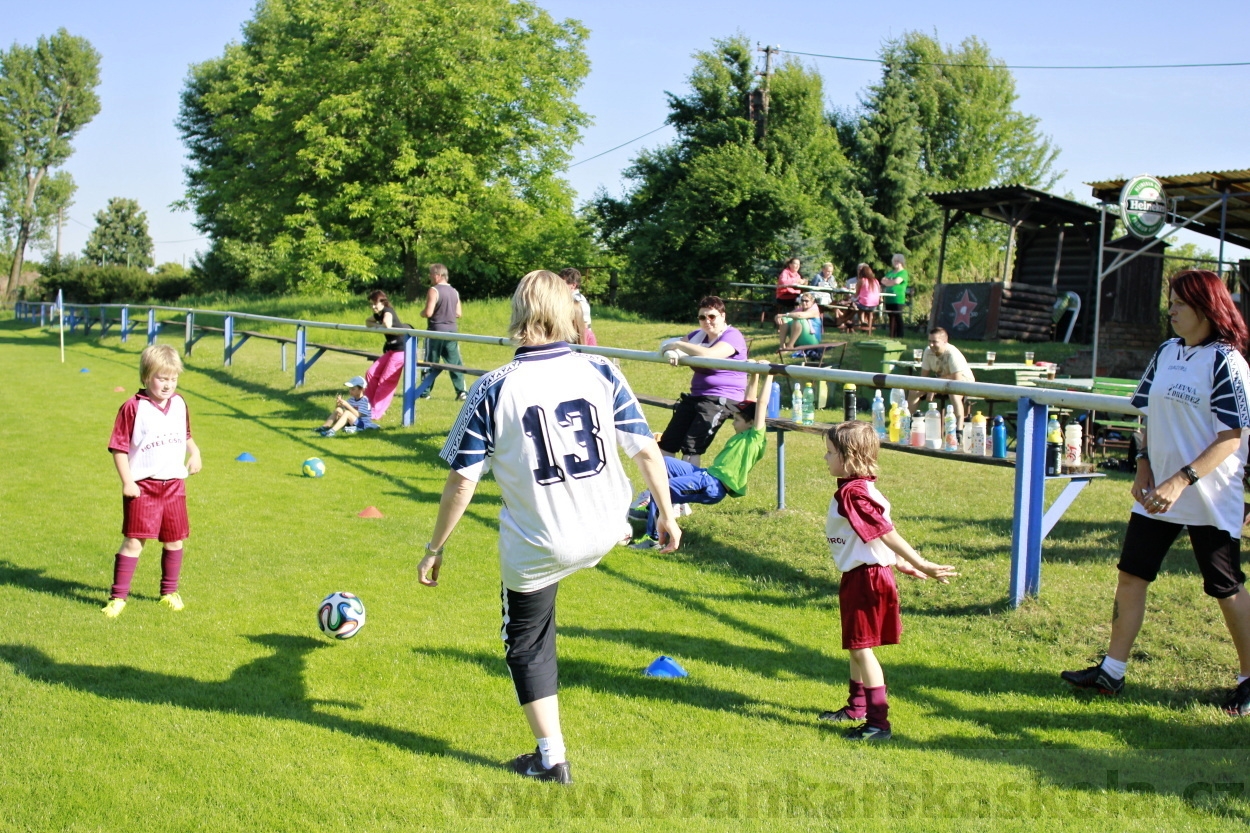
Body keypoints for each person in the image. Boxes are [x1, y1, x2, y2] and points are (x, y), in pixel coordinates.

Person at [416, 269, 681, 784]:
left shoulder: (493, 386)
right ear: (569, 313)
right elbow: (646, 448)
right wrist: (666, 514)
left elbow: (461, 482)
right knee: (586, 535)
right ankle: (620, 532)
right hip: (608, 525)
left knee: (527, 641)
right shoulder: (601, 369)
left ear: (516, 313)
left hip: (545, 543)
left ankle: (550, 758)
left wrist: (435, 547)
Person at [1062, 269, 1250, 716]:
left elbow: (1232, 436)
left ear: (1207, 307)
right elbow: (1145, 414)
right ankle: (1112, 670)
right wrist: (1144, 465)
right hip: (1156, 493)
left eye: (1180, 303)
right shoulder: (1166, 352)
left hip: (1207, 494)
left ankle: (1249, 680)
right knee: (1132, 575)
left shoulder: (1228, 361)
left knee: (1225, 587)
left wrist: (1180, 479)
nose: (1171, 310)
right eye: (1170, 301)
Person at [818, 421, 957, 740]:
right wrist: (898, 562)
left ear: (847, 456)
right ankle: (857, 706)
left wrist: (918, 561)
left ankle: (878, 723)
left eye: (829, 453)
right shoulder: (857, 488)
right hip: (862, 574)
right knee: (855, 646)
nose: (825, 459)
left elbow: (883, 531)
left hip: (866, 578)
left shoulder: (854, 493)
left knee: (863, 650)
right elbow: (870, 537)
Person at [102, 344, 203, 618]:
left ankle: (169, 592)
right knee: (135, 542)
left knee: (174, 541)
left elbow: (185, 435)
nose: (168, 385)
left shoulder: (180, 403)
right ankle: (118, 597)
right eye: (162, 378)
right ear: (146, 376)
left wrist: (195, 453)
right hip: (142, 488)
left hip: (174, 486)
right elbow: (119, 447)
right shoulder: (133, 408)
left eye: (173, 379)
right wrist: (127, 482)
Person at [630, 374, 774, 547]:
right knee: (664, 463)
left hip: (714, 485)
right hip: (706, 474)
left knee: (662, 488)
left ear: (751, 423)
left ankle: (654, 538)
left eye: (736, 420)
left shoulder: (755, 438)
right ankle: (654, 510)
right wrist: (755, 374)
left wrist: (769, 373)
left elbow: (761, 405)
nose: (732, 423)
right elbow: (750, 401)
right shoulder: (744, 433)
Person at [657, 296, 749, 469]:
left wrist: (678, 346)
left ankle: (686, 489)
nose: (707, 321)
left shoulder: (733, 335)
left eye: (712, 316)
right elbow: (666, 346)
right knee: (668, 442)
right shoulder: (698, 336)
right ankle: (663, 489)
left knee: (691, 447)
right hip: (696, 396)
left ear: (723, 316)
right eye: (702, 317)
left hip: (723, 397)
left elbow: (710, 355)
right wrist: (674, 351)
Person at [413, 263, 467, 402]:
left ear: (438, 275)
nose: (430, 277)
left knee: (429, 362)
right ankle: (461, 392)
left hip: (435, 331)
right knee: (454, 363)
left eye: (431, 274)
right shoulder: (454, 291)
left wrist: (422, 313)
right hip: (452, 332)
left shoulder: (433, 290)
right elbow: (458, 313)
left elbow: (429, 312)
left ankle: (425, 392)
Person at [907, 328, 975, 431]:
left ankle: (959, 429)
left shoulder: (952, 353)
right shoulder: (928, 351)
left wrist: (934, 388)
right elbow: (923, 378)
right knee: (914, 390)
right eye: (929, 341)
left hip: (964, 381)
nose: (931, 345)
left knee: (954, 393)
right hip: (940, 381)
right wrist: (928, 388)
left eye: (934, 342)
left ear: (945, 342)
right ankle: (909, 423)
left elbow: (956, 379)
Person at [362, 289, 409, 421]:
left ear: (383, 302)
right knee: (370, 373)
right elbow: (367, 322)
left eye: (375, 304)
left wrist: (382, 324)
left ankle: (376, 413)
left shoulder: (388, 311)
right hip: (391, 350)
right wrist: (377, 324)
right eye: (371, 304)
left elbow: (388, 324)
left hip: (401, 350)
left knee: (385, 380)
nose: (372, 307)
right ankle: (367, 406)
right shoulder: (379, 314)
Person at [560, 267, 597, 346]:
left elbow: (584, 325)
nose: (558, 287)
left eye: (562, 284)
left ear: (573, 285)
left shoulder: (577, 301)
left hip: (579, 342)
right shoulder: (568, 299)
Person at [838, 264, 881, 331]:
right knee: (856, 306)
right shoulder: (875, 281)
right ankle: (856, 322)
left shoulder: (862, 280)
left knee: (854, 306)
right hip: (874, 305)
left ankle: (844, 321)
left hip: (864, 305)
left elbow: (856, 294)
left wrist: (851, 299)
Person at [881, 254, 909, 338]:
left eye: (898, 261)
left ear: (902, 262)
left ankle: (900, 335)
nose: (896, 263)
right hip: (889, 298)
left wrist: (889, 282)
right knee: (890, 317)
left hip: (898, 299)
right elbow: (883, 280)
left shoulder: (904, 272)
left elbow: (897, 281)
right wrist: (891, 281)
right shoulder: (890, 272)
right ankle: (892, 333)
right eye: (894, 261)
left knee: (898, 316)